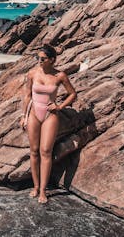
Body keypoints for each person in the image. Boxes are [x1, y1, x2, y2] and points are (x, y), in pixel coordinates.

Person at [20, 44, 77, 203]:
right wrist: (23, 116)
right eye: (38, 58)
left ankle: (44, 191)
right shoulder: (32, 73)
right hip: (33, 114)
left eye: (42, 59)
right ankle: (36, 187)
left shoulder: (60, 76)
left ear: (51, 60)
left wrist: (60, 106)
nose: (39, 61)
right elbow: (27, 95)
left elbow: (72, 94)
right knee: (34, 151)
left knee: (46, 151)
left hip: (50, 116)